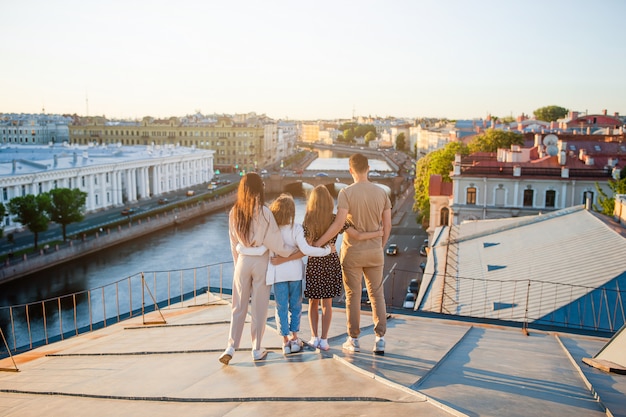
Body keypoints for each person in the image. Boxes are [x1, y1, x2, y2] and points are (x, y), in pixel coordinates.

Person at [314, 154, 391, 355]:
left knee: (353, 296)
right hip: (374, 251)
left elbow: (339, 224)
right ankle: (380, 339)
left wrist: (318, 243)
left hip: (352, 253)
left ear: (350, 170)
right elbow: (387, 225)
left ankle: (354, 339)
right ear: (369, 168)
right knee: (377, 295)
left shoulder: (345, 193)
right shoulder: (382, 193)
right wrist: (379, 245)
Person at [219, 173, 294, 365]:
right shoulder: (264, 212)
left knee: (238, 307)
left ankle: (230, 346)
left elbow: (232, 242)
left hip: (243, 261)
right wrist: (293, 251)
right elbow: (276, 242)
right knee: (259, 307)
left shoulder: (235, 211)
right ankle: (257, 348)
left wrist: (239, 266)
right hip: (260, 262)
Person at [304, 185, 383, 351]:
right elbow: (358, 235)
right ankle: (324, 340)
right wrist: (378, 233)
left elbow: (308, 244)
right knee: (327, 304)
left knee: (313, 302)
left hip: (315, 262)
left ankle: (314, 337)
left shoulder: (308, 218)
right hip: (331, 261)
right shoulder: (335, 219)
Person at [266, 193, 333, 355]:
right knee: (295, 307)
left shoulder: (271, 230)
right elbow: (306, 250)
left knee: (281, 308)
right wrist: (326, 251)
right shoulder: (296, 228)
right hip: (295, 274)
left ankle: (285, 341)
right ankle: (295, 338)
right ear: (291, 212)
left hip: (278, 275)